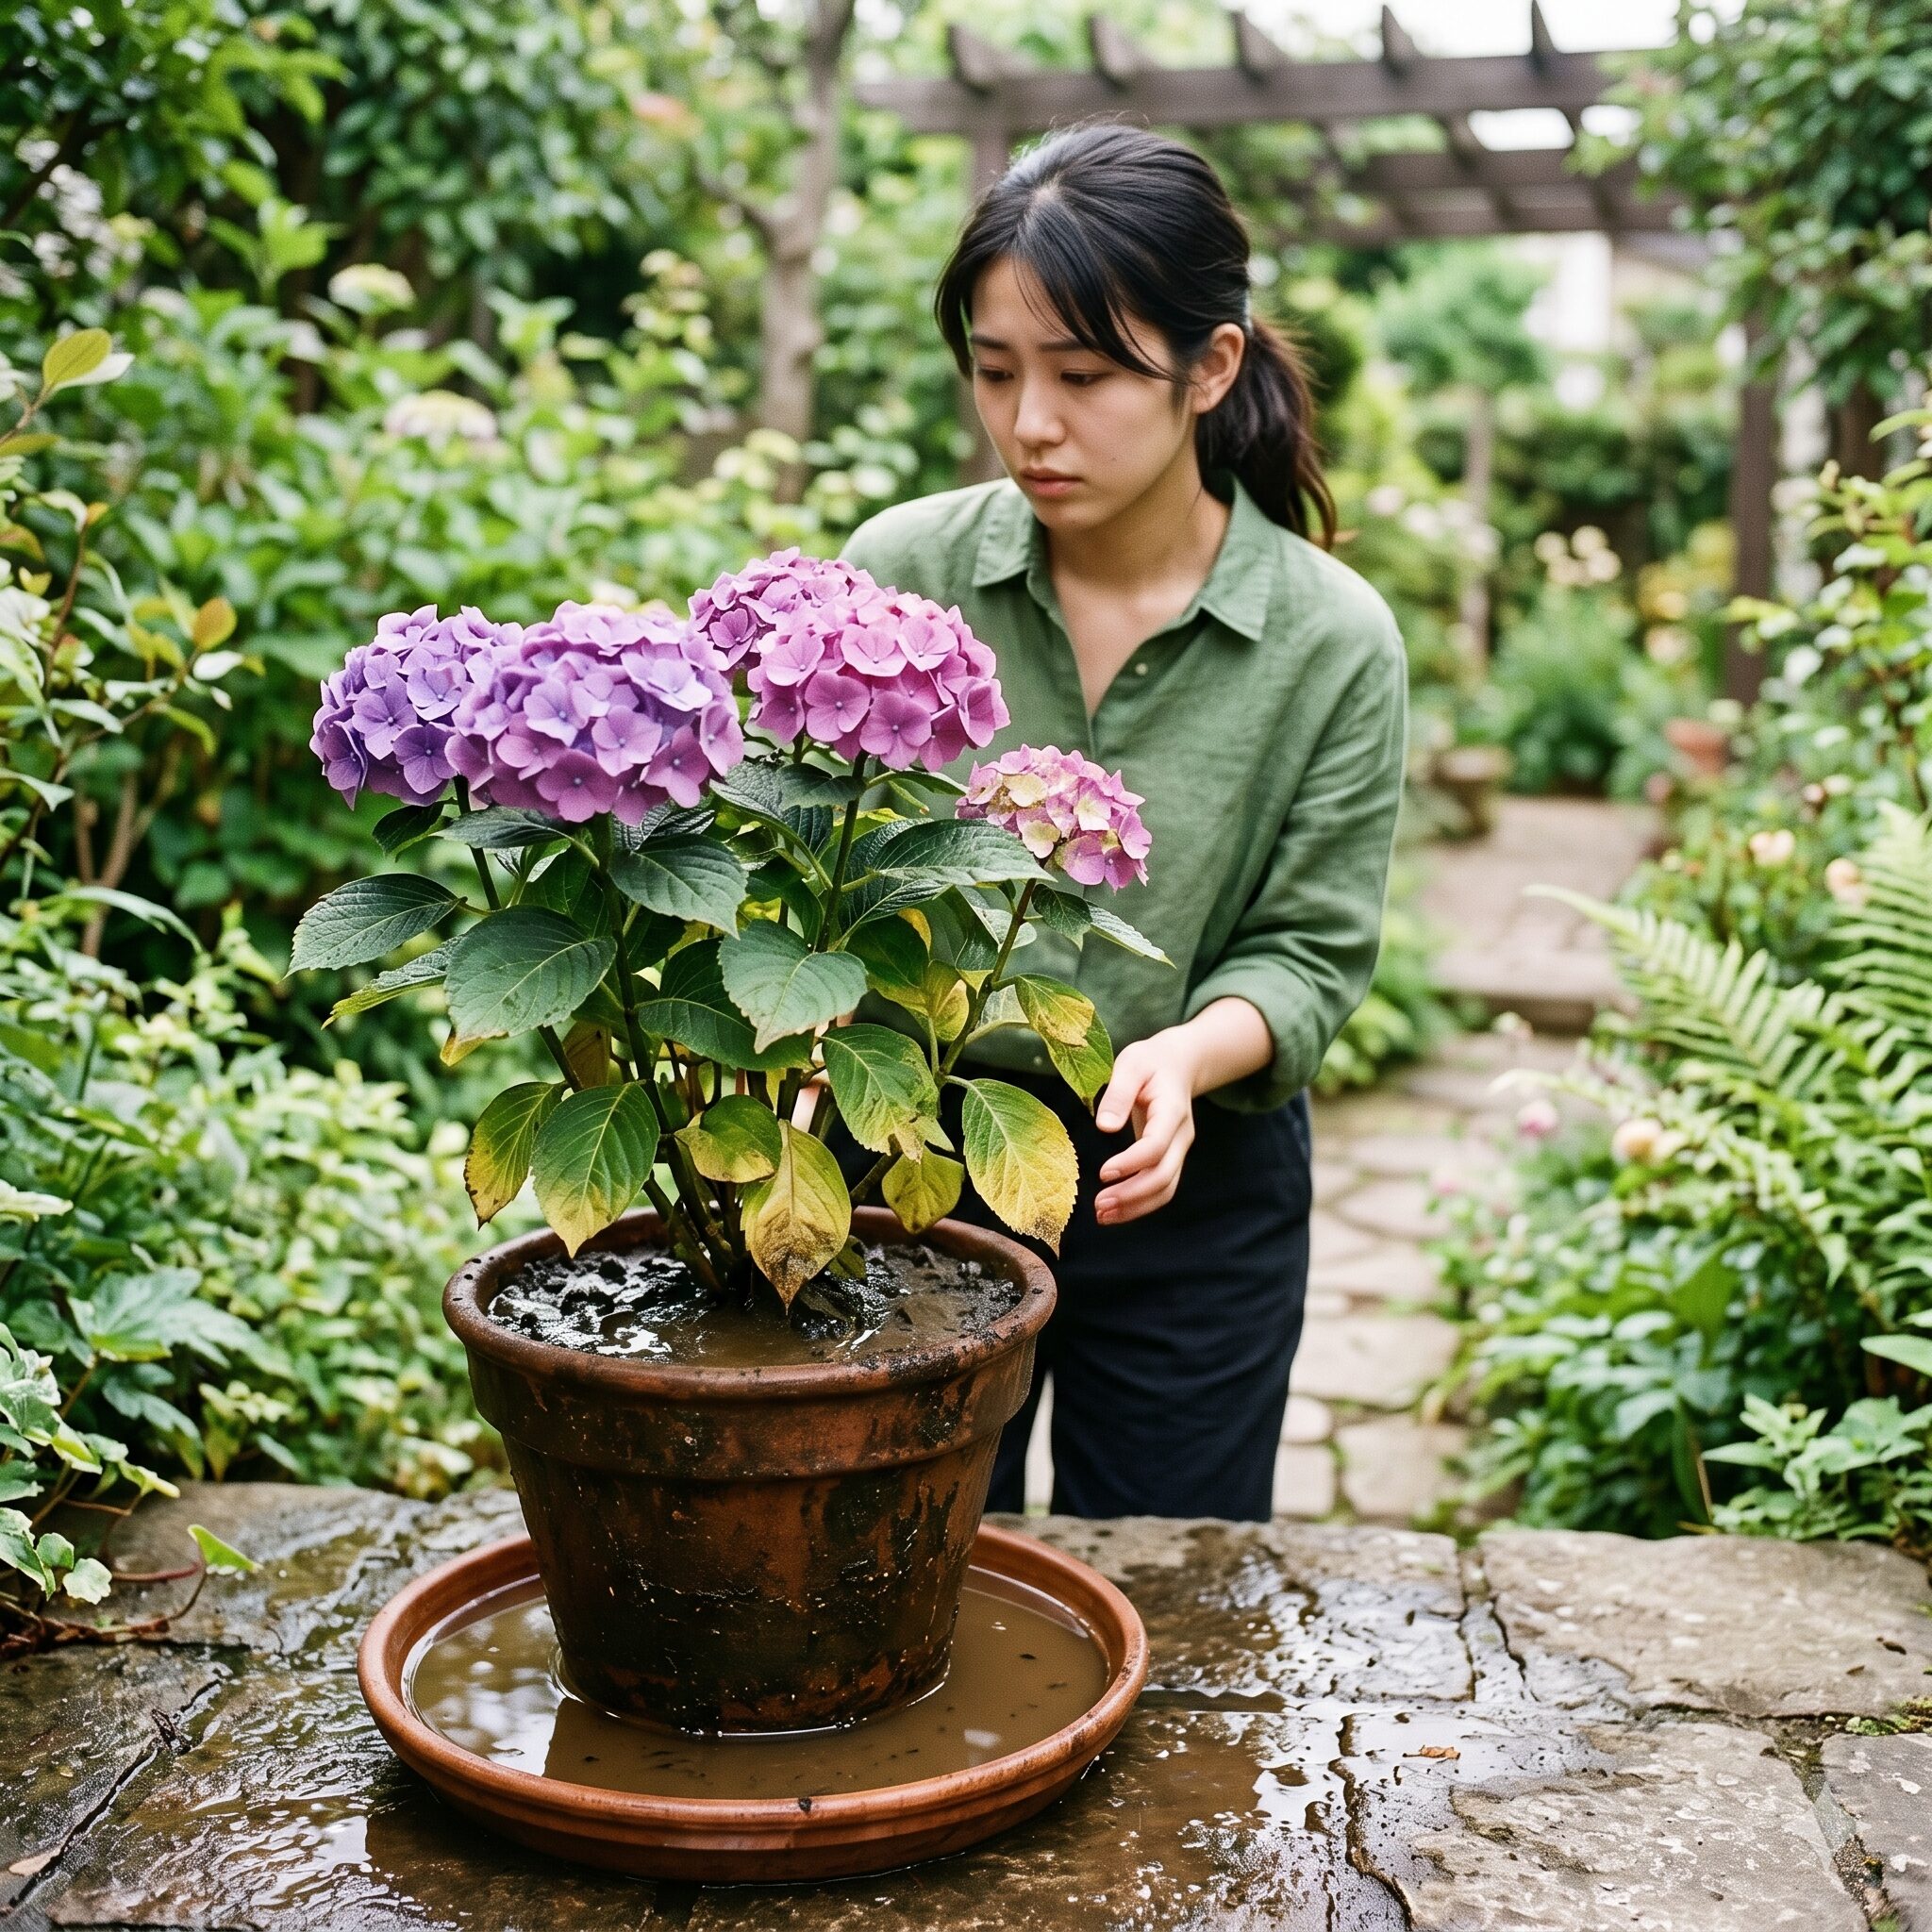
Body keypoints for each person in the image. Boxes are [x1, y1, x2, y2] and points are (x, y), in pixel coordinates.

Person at [840, 123, 1406, 1521]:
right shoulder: (900, 574)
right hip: (903, 1156)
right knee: (884, 1571)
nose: (1031, 422)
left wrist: (1186, 1056)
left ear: (1210, 367)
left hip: (1185, 1179)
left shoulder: (1331, 642)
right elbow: (811, 854)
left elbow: (1311, 952)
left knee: (1175, 1597)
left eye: (1084, 376)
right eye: (994, 370)